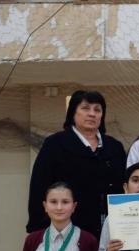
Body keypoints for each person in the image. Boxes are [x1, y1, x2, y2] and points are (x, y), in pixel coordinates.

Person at [27, 90, 126, 238]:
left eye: (97, 110)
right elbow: (39, 186)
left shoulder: (114, 146)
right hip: (67, 230)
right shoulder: (55, 144)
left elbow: (124, 187)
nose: (92, 114)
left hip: (110, 231)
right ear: (73, 112)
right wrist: (37, 229)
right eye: (85, 108)